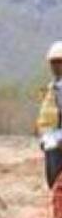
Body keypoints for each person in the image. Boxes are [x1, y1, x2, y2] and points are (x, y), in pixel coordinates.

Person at [36, 41, 62, 192]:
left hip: (59, 140)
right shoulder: (53, 87)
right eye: (53, 62)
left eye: (59, 62)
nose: (56, 66)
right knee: (53, 183)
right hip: (50, 140)